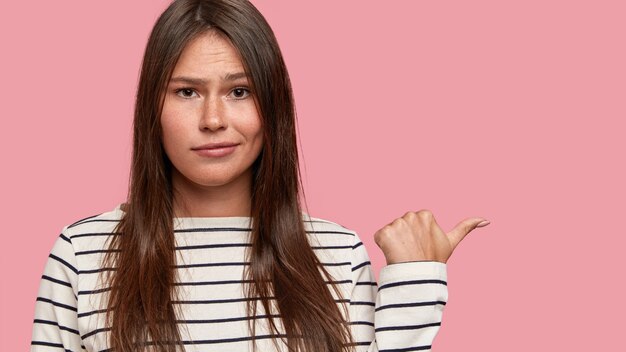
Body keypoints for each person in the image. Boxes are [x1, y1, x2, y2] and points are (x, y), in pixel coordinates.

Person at [30, 0, 490, 351]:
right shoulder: (83, 253)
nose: (213, 119)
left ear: (273, 106)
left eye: (239, 90)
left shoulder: (336, 254)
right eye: (187, 91)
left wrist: (414, 282)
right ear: (153, 106)